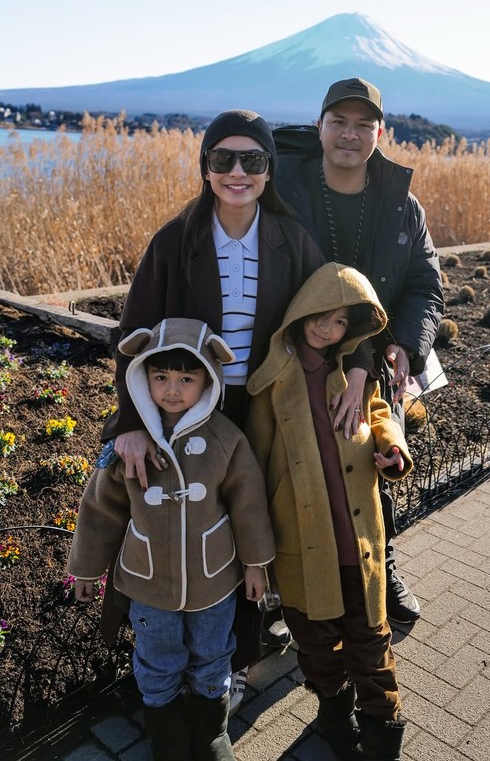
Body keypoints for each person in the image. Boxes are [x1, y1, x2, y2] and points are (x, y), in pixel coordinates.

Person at [108, 110, 367, 702]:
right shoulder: (175, 241)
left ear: (269, 170)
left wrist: (358, 365)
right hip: (185, 413)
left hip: (267, 408)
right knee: (191, 525)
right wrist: (132, 422)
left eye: (252, 159)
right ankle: (165, 660)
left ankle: (235, 659)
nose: (237, 172)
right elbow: (132, 334)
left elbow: (333, 308)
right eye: (222, 158)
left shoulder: (291, 240)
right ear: (205, 167)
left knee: (252, 523)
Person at [274, 77, 444, 624]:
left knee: (373, 462)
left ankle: (381, 566)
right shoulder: (284, 192)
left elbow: (425, 286)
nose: (350, 134)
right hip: (299, 357)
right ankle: (286, 587)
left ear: (380, 133)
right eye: (339, 122)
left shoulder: (401, 205)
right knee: (294, 466)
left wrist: (407, 349)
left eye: (363, 125)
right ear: (319, 126)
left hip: (375, 359)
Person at [67, 317, 276, 760]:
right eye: (160, 377)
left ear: (209, 379)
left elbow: (249, 505)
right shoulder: (131, 442)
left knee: (212, 655)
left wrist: (256, 563)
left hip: (213, 579)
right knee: (156, 658)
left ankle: (211, 733)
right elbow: (101, 508)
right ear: (143, 376)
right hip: (149, 582)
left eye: (186, 378)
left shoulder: (225, 438)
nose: (173, 390)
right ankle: (167, 740)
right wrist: (86, 568)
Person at [246, 262, 413, 761]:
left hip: (359, 542)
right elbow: (255, 464)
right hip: (302, 543)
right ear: (300, 312)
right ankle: (335, 713)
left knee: (372, 644)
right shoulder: (272, 382)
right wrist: (256, 546)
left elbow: (379, 414)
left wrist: (392, 448)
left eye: (340, 321)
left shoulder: (353, 374)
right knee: (317, 645)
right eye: (320, 314)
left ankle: (382, 733)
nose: (327, 327)